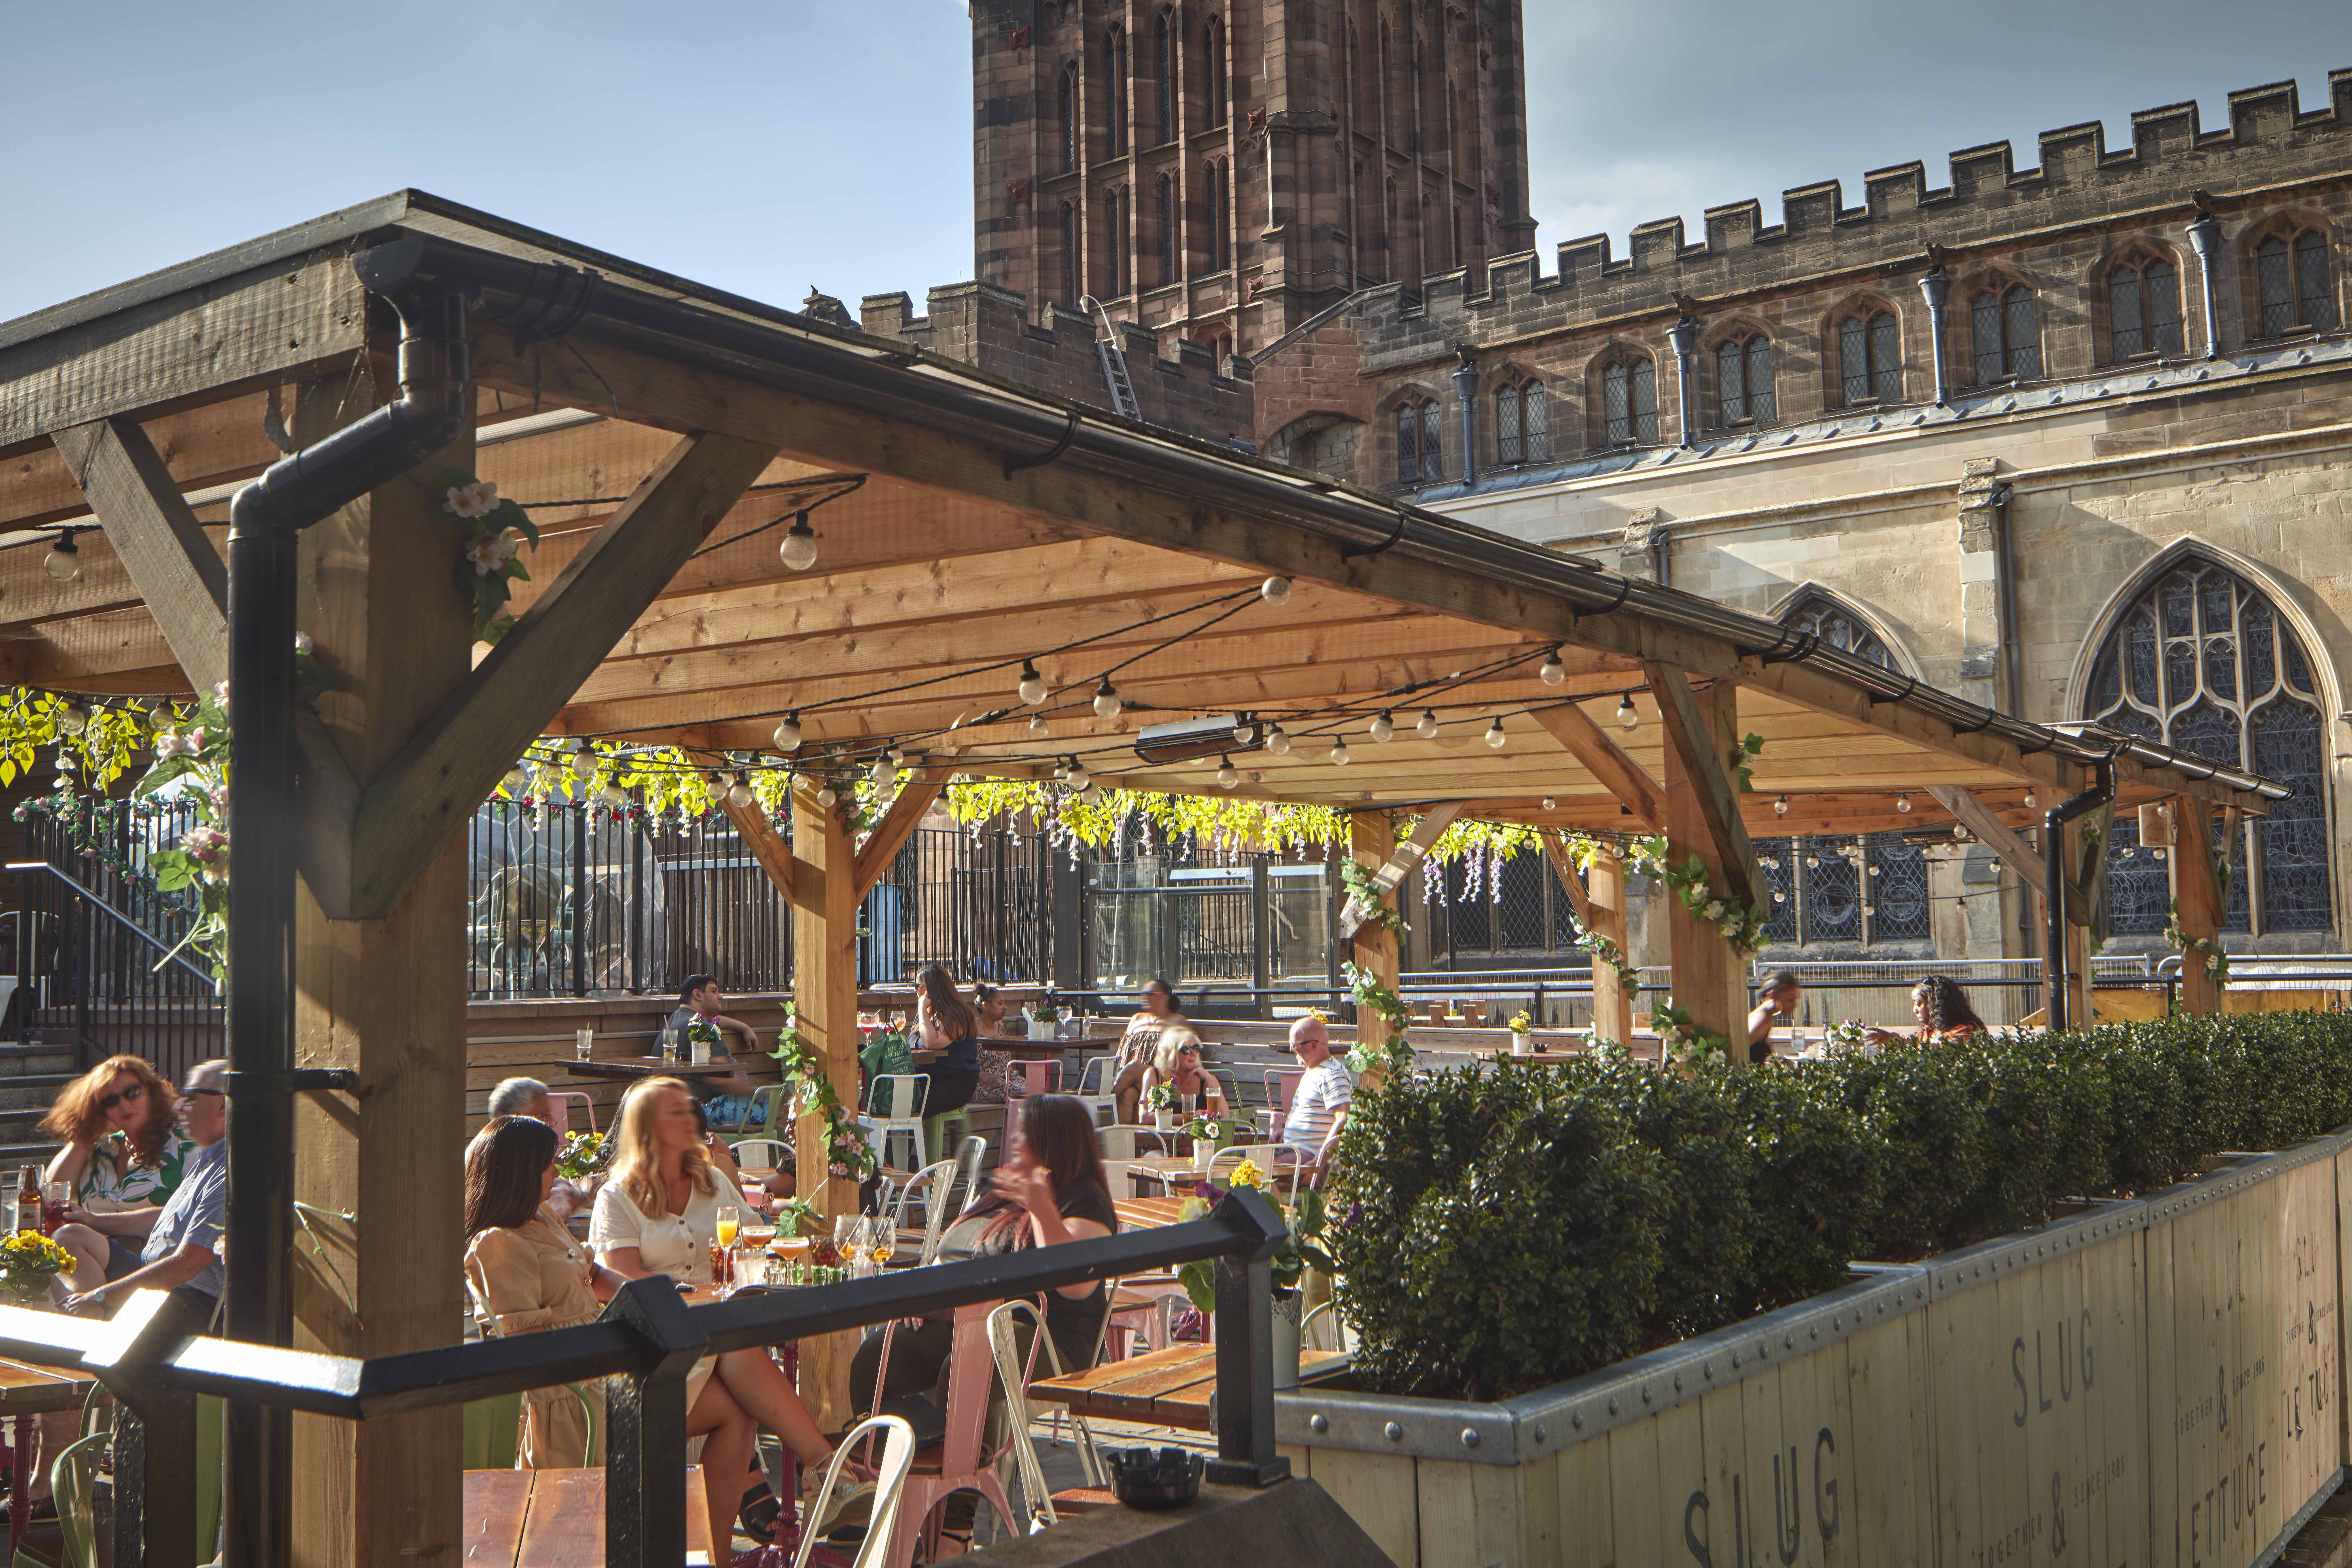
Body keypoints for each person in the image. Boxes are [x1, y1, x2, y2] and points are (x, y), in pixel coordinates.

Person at [465, 1114, 761, 1551]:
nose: (557, 1172)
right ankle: (775, 1495)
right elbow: (526, 1345)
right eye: (549, 1164)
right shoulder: (497, 1243)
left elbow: (596, 1274)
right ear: (521, 1172)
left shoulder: (539, 1219)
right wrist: (615, 1342)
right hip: (578, 1403)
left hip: (606, 1371)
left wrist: (660, 1297)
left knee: (734, 1388)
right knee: (731, 1379)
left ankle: (715, 1545)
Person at [589, 1079, 847, 1490]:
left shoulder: (712, 1181)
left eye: (690, 1109)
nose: (691, 1117)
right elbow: (621, 1279)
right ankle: (826, 1468)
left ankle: (729, 1538)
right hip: (655, 1343)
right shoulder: (617, 1198)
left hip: (715, 1334)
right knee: (736, 1344)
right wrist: (694, 1296)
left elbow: (751, 1245)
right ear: (648, 1128)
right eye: (676, 1112)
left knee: (738, 1392)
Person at [850, 1095, 1117, 1425]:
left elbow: (1077, 1283)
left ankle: (969, 1471)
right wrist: (923, 1300)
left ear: (1056, 1142)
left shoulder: (1083, 1201)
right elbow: (951, 1251)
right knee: (877, 1358)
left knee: (969, 1362)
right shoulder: (1004, 1192)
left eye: (1027, 1133)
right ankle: (901, 1460)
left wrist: (1041, 1207)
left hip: (1047, 1338)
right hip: (965, 1319)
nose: (1015, 1140)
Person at [61, 1060, 228, 1325]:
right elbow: (173, 1216)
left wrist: (100, 1296)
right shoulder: (207, 1158)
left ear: (223, 1104)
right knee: (67, 1236)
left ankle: (90, 1339)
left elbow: (186, 1264)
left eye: (191, 1098)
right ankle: (88, 1335)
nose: (180, 1105)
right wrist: (93, 1220)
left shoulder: (214, 1163)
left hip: (182, 1295)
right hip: (147, 1267)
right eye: (109, 1100)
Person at [41, 1055, 186, 1290]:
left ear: (151, 1092)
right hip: (94, 1263)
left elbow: (182, 1217)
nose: (124, 1105)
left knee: (65, 1242)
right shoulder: (102, 1149)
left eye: (132, 1092)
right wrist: (84, 1135)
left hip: (156, 1266)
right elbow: (52, 1196)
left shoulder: (181, 1144)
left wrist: (97, 1222)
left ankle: (91, 1317)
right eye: (110, 1101)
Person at [485, 1076, 596, 1219]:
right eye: (544, 1115)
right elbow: (557, 1210)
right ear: (518, 1119)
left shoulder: (519, 1153)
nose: (553, 1122)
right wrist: (587, 1196)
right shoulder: (508, 1166)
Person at [668, 975, 761, 1126]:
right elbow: (723, 1081)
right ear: (698, 995)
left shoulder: (677, 1019)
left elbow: (714, 1021)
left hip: (680, 1108)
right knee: (784, 1103)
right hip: (705, 1111)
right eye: (714, 991)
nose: (721, 997)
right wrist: (762, 1090)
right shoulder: (703, 1030)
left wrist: (744, 1027)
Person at [1276, 1015, 1353, 1181]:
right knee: (1251, 1169)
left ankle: (1279, 1209)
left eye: (1294, 1046)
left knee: (1255, 1173)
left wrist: (1319, 1161)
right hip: (1297, 1155)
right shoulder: (1315, 1071)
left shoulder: (1331, 1074)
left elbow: (1343, 1120)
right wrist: (1285, 1134)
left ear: (1313, 1045)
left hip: (1310, 1163)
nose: (1292, 1051)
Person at [907, 964, 981, 1123]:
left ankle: (899, 1148)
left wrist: (921, 1008)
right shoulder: (930, 1014)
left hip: (954, 1082)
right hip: (928, 1079)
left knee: (906, 1102)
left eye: (917, 985)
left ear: (931, 989)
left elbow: (931, 1043)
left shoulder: (956, 1014)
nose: (915, 990)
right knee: (889, 1096)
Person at [1109, 980, 1183, 1125]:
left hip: (1163, 1081)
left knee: (1134, 1067)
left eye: (1151, 994)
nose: (1146, 997)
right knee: (1127, 1096)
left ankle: (1102, 1100)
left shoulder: (1177, 1021)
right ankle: (1124, 1146)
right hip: (1134, 1082)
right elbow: (1121, 1055)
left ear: (1165, 998)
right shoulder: (1136, 1019)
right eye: (1145, 994)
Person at [1867, 975, 1990, 1046]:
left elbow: (1940, 1050)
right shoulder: (1928, 1031)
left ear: (1935, 1005)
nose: (1915, 1010)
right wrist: (1892, 1039)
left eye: (1919, 1004)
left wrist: (1899, 1042)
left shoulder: (1967, 1030)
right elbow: (1912, 1042)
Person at [1138, 1026, 1228, 1121]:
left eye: (1196, 1048)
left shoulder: (1205, 1080)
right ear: (1172, 1053)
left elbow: (1226, 1118)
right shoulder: (1154, 1075)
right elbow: (1144, 1117)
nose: (1194, 1054)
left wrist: (1209, 1078)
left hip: (1196, 1136)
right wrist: (1191, 1118)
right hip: (1161, 1136)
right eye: (1187, 1050)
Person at [1746, 971, 1802, 1065]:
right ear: (1773, 995)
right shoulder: (1763, 1019)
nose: (1794, 1005)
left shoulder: (1766, 1015)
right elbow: (1739, 1051)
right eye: (1790, 999)